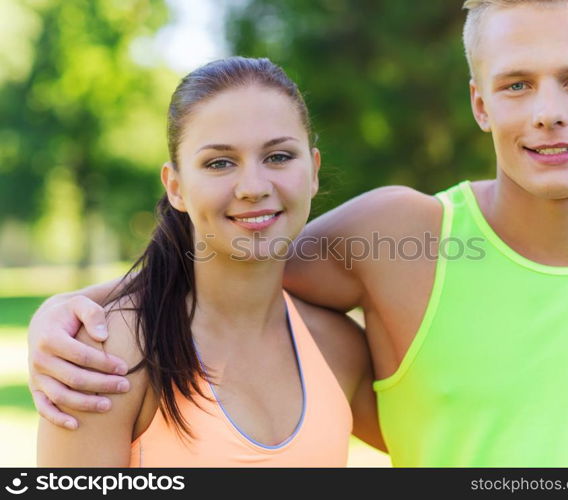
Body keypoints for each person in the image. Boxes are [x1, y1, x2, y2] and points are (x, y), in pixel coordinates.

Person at [29, 0, 568, 467]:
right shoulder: (398, 238)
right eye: (517, 85)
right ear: (481, 104)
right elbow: (236, 261)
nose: (549, 112)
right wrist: (78, 309)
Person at [35, 57, 384, 467]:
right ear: (176, 187)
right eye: (219, 162)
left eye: (279, 157)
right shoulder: (109, 356)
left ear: (313, 172)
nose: (253, 187)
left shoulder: (338, 348)